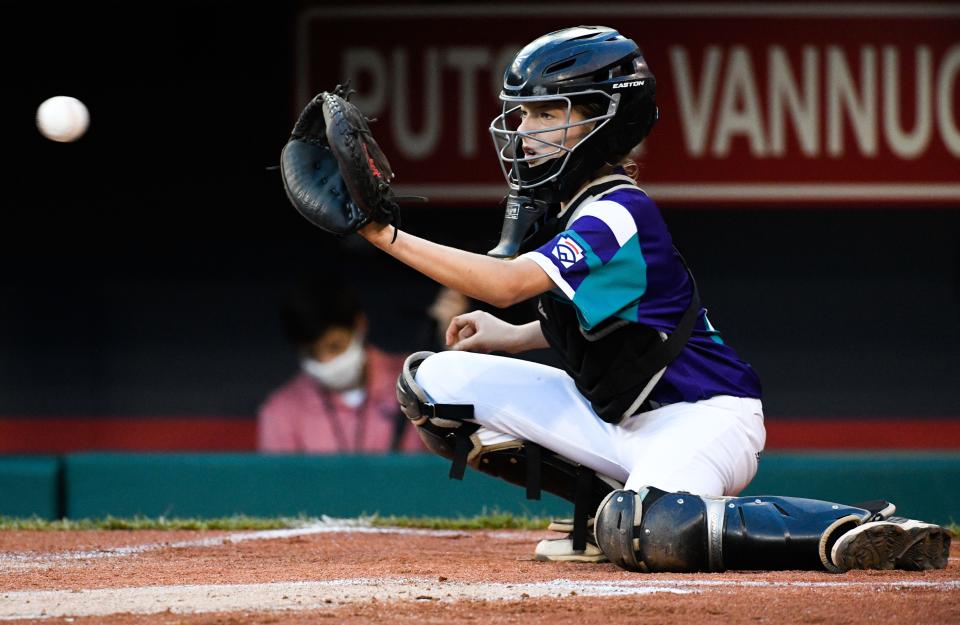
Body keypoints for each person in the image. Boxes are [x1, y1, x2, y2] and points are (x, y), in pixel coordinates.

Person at [355, 26, 949, 572]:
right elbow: (610, 315)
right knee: (432, 383)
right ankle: (595, 511)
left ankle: (848, 528)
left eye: (547, 112)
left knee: (647, 527)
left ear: (603, 122)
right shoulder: (576, 210)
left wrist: (384, 234)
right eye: (525, 112)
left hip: (706, 418)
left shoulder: (619, 211)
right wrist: (514, 336)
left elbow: (505, 283)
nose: (527, 129)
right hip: (621, 420)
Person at [257, 274, 422, 453]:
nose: (325, 361)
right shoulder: (281, 411)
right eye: (311, 353)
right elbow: (279, 481)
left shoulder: (416, 381)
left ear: (359, 325)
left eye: (335, 346)